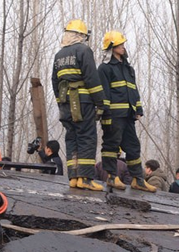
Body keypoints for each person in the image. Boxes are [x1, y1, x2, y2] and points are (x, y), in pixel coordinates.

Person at [52, 19, 107, 191]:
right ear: (80, 35)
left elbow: (55, 81)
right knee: (87, 137)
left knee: (72, 137)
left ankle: (74, 177)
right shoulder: (84, 50)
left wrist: (61, 101)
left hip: (65, 104)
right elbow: (92, 78)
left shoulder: (59, 55)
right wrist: (101, 102)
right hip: (82, 102)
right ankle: (86, 178)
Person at [98, 30, 156, 192]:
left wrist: (138, 109)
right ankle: (111, 176)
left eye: (123, 44)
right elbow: (103, 93)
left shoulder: (128, 68)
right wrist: (106, 115)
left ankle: (138, 179)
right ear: (111, 47)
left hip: (128, 116)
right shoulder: (105, 68)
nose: (123, 47)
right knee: (111, 145)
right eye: (120, 44)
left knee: (133, 147)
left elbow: (133, 90)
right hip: (114, 116)